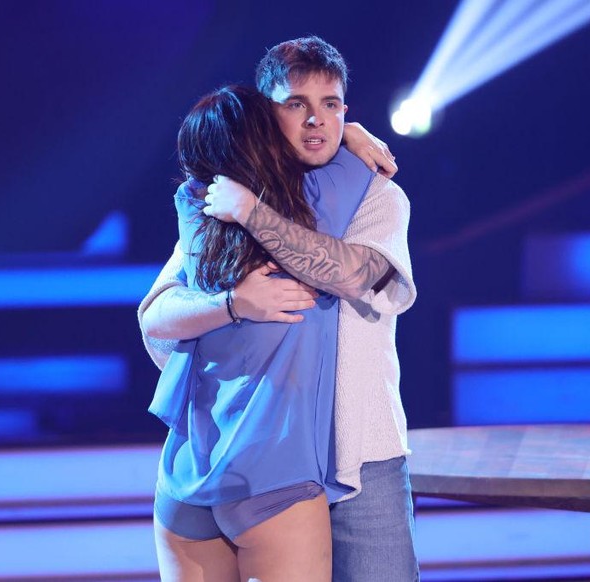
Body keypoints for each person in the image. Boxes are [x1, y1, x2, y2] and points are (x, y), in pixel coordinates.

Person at [140, 36, 419, 581]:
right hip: (250, 452)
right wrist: (232, 302)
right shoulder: (217, 200)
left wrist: (254, 213)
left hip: (358, 454)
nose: (316, 120)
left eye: (331, 105)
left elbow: (351, 274)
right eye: (296, 104)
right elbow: (159, 312)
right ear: (265, 115)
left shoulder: (375, 194)